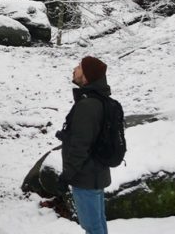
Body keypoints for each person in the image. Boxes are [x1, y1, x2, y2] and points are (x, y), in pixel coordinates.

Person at [57, 56, 111, 234]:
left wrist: (67, 176)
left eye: (79, 67)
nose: (74, 69)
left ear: (87, 76)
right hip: (95, 173)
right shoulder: (99, 100)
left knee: (93, 227)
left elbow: (81, 145)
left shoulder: (87, 105)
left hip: (85, 177)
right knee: (98, 224)